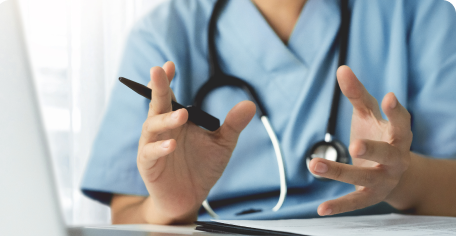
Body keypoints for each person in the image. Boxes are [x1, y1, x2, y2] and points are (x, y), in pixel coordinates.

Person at [81, 0, 456, 224]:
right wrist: (168, 209)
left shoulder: (421, 12)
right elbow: (127, 217)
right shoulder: (163, 34)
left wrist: (402, 178)